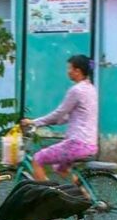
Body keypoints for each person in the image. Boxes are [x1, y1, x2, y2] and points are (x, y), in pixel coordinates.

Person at [20, 54, 98, 182]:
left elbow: (59, 113)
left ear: (77, 71)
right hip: (90, 144)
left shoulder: (76, 90)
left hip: (77, 144)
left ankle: (48, 196)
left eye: (70, 69)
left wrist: (34, 122)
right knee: (59, 167)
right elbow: (70, 116)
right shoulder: (91, 89)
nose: (68, 72)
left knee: (37, 159)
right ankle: (82, 196)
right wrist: (55, 121)